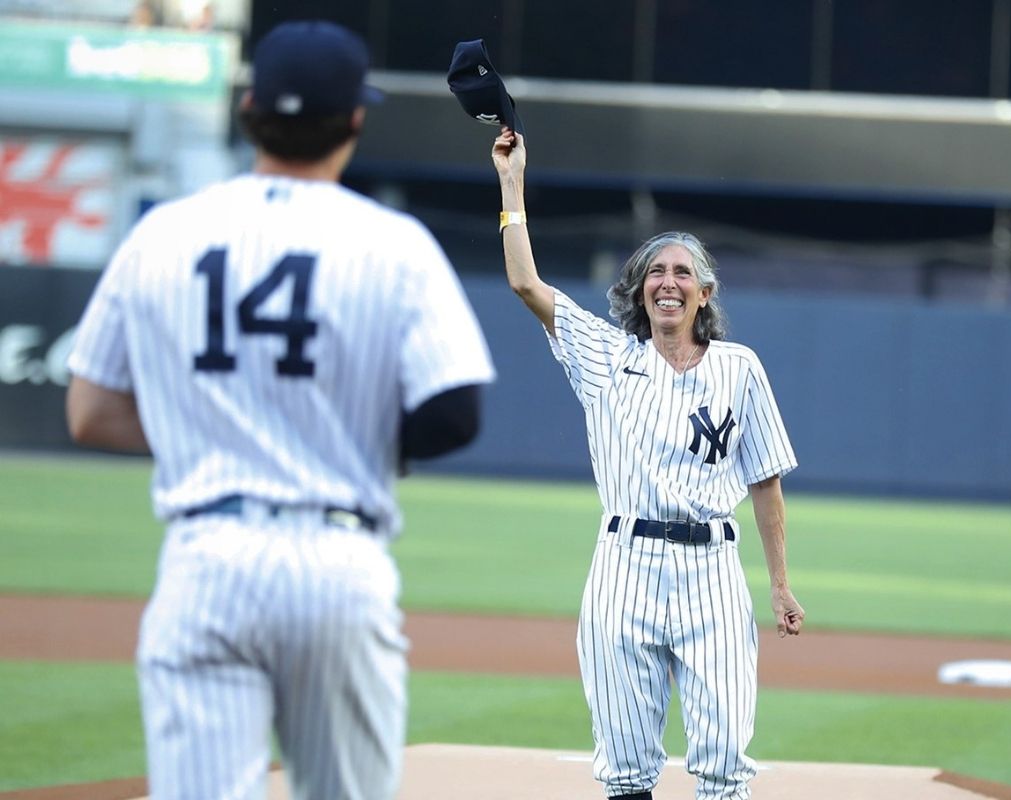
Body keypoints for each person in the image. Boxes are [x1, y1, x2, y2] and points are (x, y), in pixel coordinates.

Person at [65, 20, 495, 800]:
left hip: (207, 558)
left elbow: (90, 411)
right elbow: (456, 412)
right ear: (355, 121)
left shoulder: (162, 233)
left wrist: (215, 432)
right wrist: (335, 437)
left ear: (250, 109)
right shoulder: (393, 244)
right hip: (336, 561)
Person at [490, 127, 804, 800]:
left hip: (713, 573)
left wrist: (779, 584)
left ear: (705, 292)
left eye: (682, 272)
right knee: (627, 763)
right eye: (656, 273)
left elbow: (766, 482)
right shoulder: (606, 358)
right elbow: (524, 281)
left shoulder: (740, 368)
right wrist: (512, 183)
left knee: (723, 760)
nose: (668, 282)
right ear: (638, 291)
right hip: (623, 566)